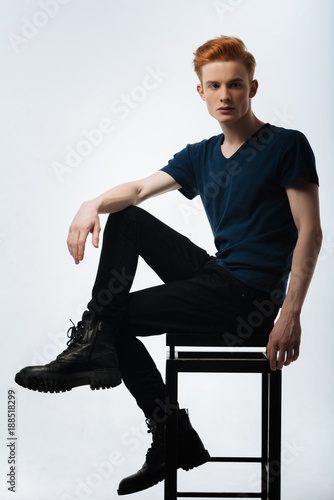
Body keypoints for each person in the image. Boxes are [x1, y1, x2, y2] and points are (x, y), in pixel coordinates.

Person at [15, 35, 322, 495]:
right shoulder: (199, 156)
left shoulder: (286, 146)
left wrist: (291, 314)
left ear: (252, 88)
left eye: (235, 85)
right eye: (214, 86)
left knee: (109, 323)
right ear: (200, 92)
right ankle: (151, 409)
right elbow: (137, 191)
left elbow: (310, 233)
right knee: (126, 219)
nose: (225, 95)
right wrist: (92, 202)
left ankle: (163, 425)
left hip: (249, 297)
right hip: (217, 277)